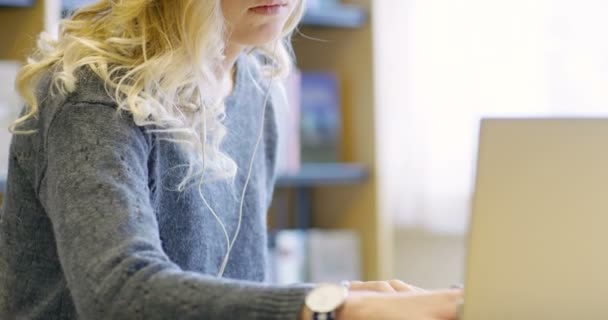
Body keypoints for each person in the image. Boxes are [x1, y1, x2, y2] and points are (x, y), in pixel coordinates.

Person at [0, 0, 462, 319]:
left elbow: (222, 287)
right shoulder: (93, 95)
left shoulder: (255, 89)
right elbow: (121, 296)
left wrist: (343, 297)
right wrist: (334, 307)